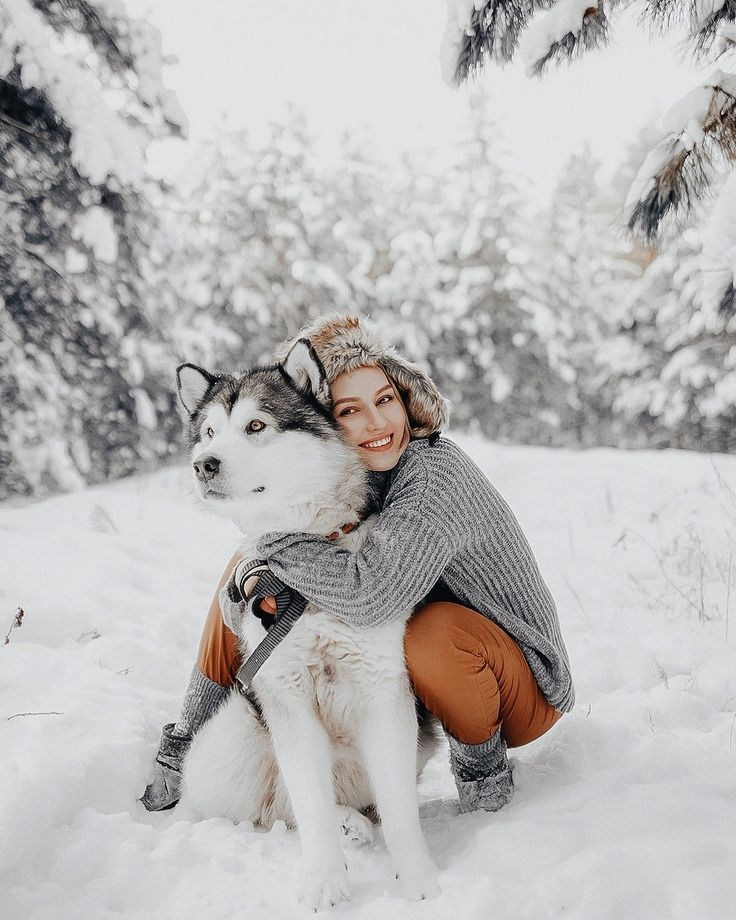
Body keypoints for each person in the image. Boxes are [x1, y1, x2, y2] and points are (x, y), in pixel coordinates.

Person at [141, 313, 574, 814]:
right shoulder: (359, 477)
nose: (375, 424)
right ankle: (189, 734)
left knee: (428, 630)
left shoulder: (430, 474)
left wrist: (268, 544)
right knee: (249, 575)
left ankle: (483, 769)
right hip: (450, 678)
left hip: (520, 686)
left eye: (385, 400)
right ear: (323, 419)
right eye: (350, 410)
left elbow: (372, 598)